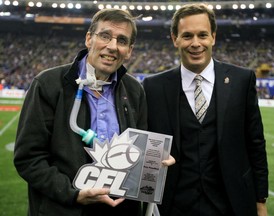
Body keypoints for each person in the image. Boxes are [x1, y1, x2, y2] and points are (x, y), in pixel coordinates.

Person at [14, 8, 174, 216]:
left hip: (121, 209)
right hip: (66, 209)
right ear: (89, 38)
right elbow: (28, 158)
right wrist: (74, 194)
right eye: (105, 36)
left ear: (130, 50)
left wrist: (154, 160)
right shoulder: (48, 84)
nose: (112, 46)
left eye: (122, 41)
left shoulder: (135, 91)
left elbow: (136, 153)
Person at [143, 3, 268, 216]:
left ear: (213, 37)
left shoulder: (241, 80)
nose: (196, 43)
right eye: (187, 36)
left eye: (202, 35)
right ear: (175, 39)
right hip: (173, 205)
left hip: (231, 203)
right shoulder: (153, 86)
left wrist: (260, 201)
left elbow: (255, 143)